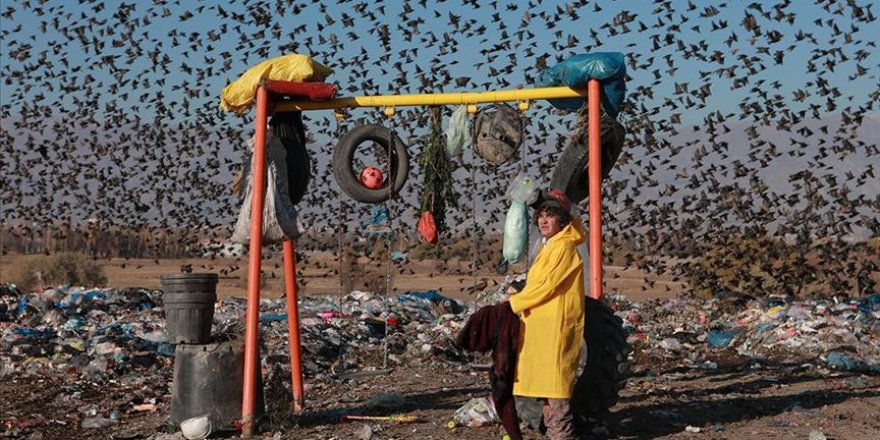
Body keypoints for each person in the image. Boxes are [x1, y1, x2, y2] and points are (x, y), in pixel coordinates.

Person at [507, 188, 585, 440]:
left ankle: (561, 436)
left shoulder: (563, 247)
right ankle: (552, 432)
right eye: (541, 215)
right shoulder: (547, 247)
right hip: (541, 328)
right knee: (546, 387)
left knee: (556, 387)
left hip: (555, 327)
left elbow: (547, 285)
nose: (543, 220)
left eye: (550, 216)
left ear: (561, 221)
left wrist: (514, 303)